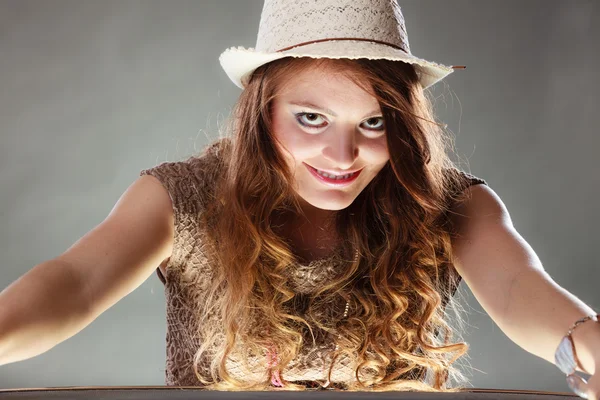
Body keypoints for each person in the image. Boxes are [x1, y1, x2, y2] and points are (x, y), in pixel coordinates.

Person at [0, 0, 599, 396]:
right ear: (261, 113)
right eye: (311, 117)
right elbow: (75, 283)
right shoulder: (182, 198)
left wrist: (582, 336)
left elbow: (522, 285)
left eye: (373, 123)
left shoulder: (448, 204)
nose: (342, 156)